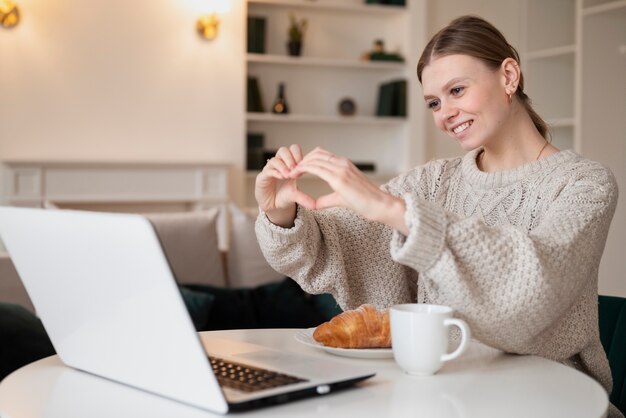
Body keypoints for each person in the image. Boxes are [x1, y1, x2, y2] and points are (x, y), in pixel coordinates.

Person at [254, 15, 621, 417]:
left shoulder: (584, 185)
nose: (445, 112)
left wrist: (395, 211)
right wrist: (282, 213)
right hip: (445, 400)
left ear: (509, 76)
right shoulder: (431, 182)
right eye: (434, 102)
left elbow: (531, 290)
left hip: (555, 404)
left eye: (457, 90)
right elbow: (332, 247)